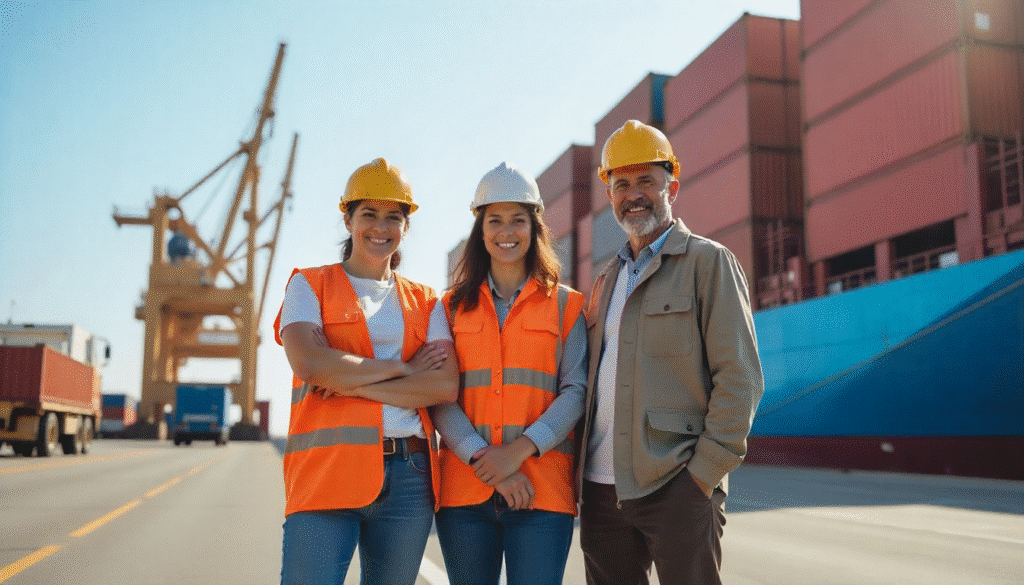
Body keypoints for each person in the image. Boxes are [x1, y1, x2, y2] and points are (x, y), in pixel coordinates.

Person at [577, 120, 765, 585]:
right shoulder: (605, 280)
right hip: (601, 494)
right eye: (621, 184)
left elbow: (740, 378)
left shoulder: (709, 262)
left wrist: (701, 478)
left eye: (646, 181)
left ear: (672, 186)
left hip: (676, 484)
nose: (633, 194)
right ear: (610, 194)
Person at [274, 158, 459, 585]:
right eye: (368, 214)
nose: (380, 227)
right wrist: (401, 368)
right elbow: (308, 363)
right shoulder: (309, 284)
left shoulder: (427, 301)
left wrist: (344, 380)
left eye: (393, 216)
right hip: (325, 472)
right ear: (348, 218)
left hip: (408, 477)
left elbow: (444, 384)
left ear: (406, 226)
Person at [431, 162, 587, 585]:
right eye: (494, 220)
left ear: (534, 227)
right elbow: (440, 397)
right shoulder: (446, 308)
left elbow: (576, 392)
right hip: (465, 493)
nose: (506, 231)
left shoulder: (567, 306)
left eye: (518, 220)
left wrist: (516, 453)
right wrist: (487, 462)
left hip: (542, 493)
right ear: (480, 231)